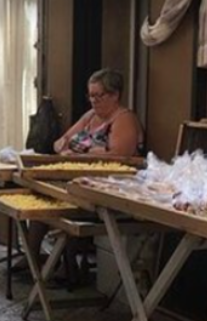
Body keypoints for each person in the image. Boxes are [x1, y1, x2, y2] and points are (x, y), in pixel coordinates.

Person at [26, 69, 144, 274]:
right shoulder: (90, 116)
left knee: (61, 198)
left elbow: (119, 155)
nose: (94, 101)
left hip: (106, 186)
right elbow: (59, 142)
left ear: (115, 95)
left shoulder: (123, 119)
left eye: (100, 95)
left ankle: (65, 263)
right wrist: (71, 149)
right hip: (77, 177)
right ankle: (34, 260)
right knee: (39, 194)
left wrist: (79, 154)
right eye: (91, 95)